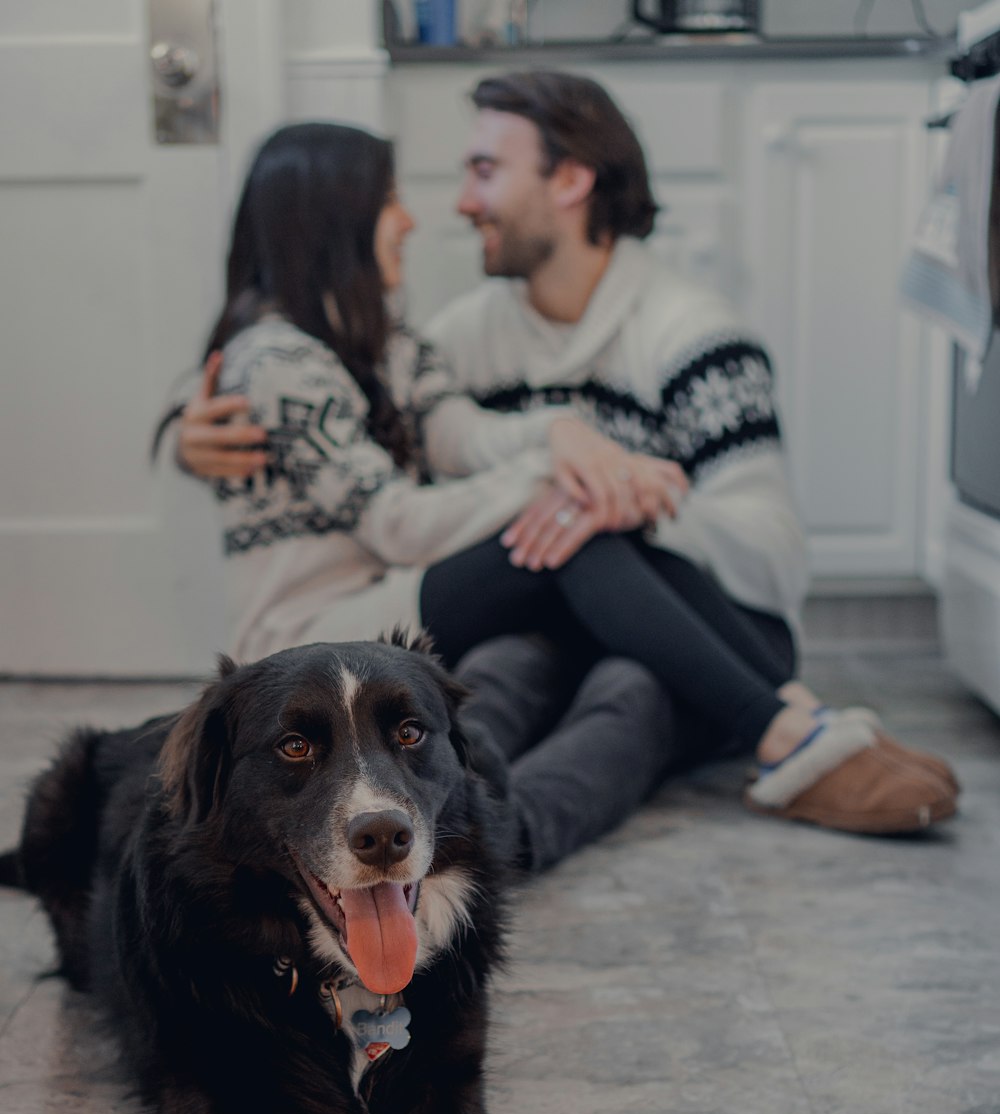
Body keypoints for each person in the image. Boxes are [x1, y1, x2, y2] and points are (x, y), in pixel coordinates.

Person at [172, 93, 958, 849]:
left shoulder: (401, 343)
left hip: (442, 602)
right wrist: (576, 480)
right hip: (319, 631)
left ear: (572, 181)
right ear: (330, 219)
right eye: (392, 199)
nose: (421, 215)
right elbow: (401, 522)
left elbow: (464, 434)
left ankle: (763, 738)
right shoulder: (290, 359)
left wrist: (580, 459)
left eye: (483, 170)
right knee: (561, 567)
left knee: (604, 633)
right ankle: (789, 728)